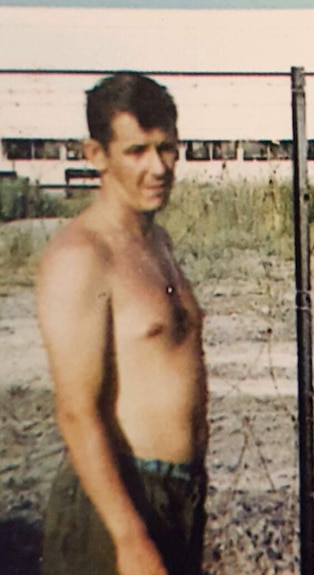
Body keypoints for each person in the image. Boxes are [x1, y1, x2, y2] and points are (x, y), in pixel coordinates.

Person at [37, 73, 208, 575]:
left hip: (177, 496)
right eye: (136, 151)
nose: (157, 167)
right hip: (117, 501)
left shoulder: (158, 243)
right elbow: (75, 411)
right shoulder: (81, 255)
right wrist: (129, 536)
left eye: (167, 149)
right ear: (96, 154)